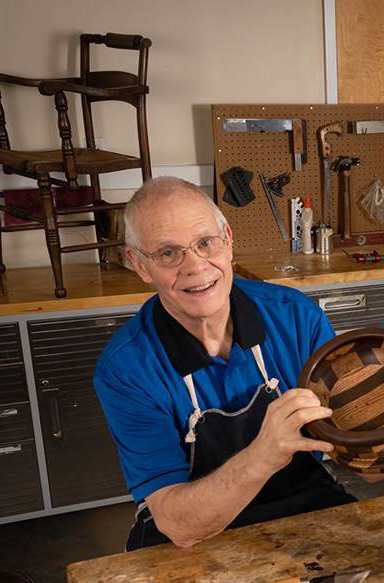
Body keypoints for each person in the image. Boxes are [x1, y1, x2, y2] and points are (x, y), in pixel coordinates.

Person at [95, 176, 356, 550]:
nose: (195, 266)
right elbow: (177, 524)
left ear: (228, 240)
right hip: (190, 540)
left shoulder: (296, 317)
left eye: (205, 243)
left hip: (307, 509)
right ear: (139, 265)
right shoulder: (127, 369)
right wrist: (263, 455)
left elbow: (347, 435)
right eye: (168, 253)